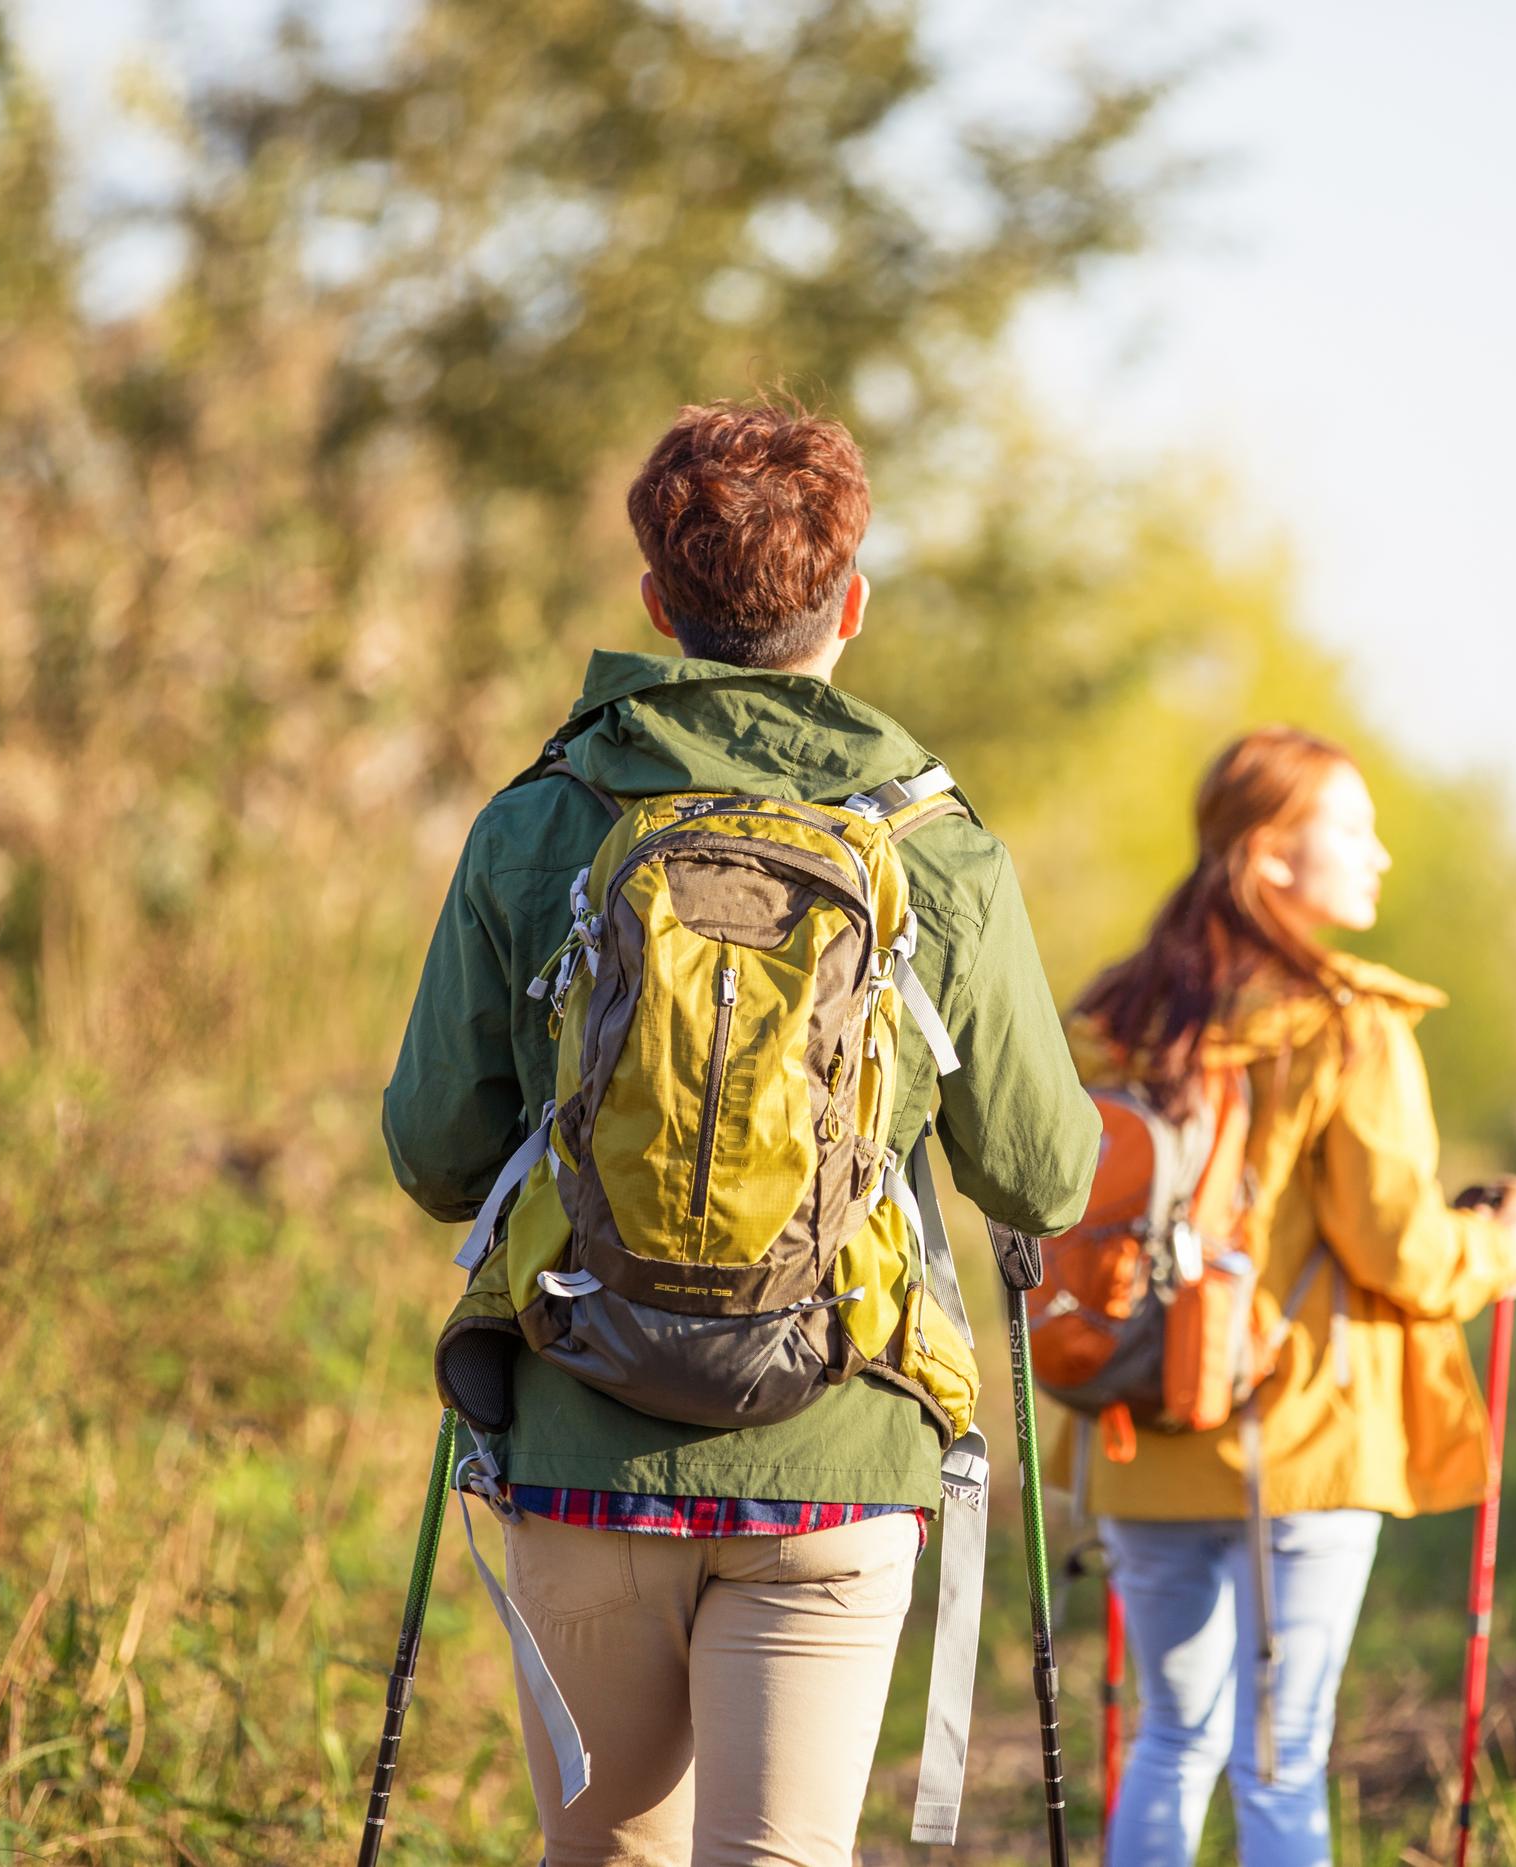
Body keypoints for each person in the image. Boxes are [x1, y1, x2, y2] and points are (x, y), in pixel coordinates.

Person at [382, 400, 1101, 1866]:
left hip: (582, 1433)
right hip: (837, 1436)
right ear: (853, 603)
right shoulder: (934, 845)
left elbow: (437, 1152)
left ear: (657, 606)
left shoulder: (540, 820)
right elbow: (1041, 1175)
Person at [1068, 725, 1516, 1867]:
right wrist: (1496, 1251)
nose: (1380, 855)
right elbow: (1398, 1249)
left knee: (1170, 1737)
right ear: (1272, 853)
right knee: (1281, 1757)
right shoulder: (1346, 1025)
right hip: (1302, 1440)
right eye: (1353, 830)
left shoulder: (1118, 1019)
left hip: (1140, 1424)